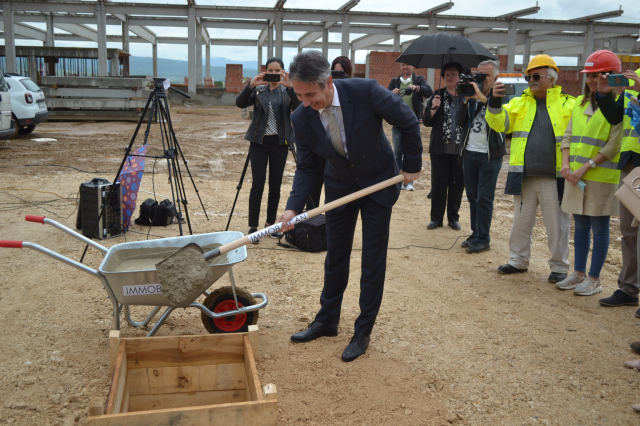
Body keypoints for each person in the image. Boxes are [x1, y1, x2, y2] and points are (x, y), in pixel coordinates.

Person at [277, 50, 422, 362]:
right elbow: (307, 168)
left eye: (310, 94)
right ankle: (327, 320)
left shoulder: (366, 91)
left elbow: (408, 121)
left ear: (328, 82)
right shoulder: (301, 117)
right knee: (336, 256)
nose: (304, 102)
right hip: (340, 187)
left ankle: (362, 330)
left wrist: (412, 164)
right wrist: (292, 208)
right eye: (298, 95)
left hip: (377, 184)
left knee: (372, 260)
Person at [486, 54, 575, 283]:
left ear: (551, 78)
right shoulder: (519, 103)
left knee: (558, 226)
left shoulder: (569, 104)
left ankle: (559, 267)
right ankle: (518, 260)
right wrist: (494, 102)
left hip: (554, 177)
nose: (531, 80)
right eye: (528, 77)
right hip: (523, 176)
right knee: (520, 223)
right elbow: (499, 124)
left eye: (536, 76)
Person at [555, 51, 623, 296]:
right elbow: (568, 136)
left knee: (599, 227)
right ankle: (579, 273)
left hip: (600, 176)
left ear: (612, 76)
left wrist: (586, 166)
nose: (593, 81)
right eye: (590, 76)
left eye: (598, 76)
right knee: (580, 225)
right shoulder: (580, 103)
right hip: (576, 176)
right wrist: (566, 163)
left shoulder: (619, 106)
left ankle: (594, 279)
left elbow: (613, 146)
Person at [236, 57, 301, 241]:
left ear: (283, 72)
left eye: (277, 71)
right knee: (257, 184)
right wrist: (250, 85)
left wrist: (290, 87)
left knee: (275, 185)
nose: (273, 74)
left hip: (279, 143)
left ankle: (270, 224)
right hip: (258, 143)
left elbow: (299, 108)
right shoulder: (258, 91)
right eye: (270, 71)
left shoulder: (287, 92)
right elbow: (240, 103)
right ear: (264, 72)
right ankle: (254, 227)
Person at [593, 66, 640, 310]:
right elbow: (616, 117)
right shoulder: (636, 75)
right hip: (631, 163)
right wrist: (605, 95)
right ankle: (629, 289)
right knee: (629, 231)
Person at [457, 60, 506, 253]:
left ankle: (483, 237)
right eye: (479, 74)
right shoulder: (470, 93)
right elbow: (461, 122)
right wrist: (465, 100)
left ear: (495, 77)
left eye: (486, 75)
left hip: (489, 155)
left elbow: (502, 119)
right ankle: (475, 233)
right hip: (470, 151)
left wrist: (483, 98)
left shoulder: (502, 95)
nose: (482, 79)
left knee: (484, 197)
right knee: (472, 195)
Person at [304, 56, 354, 211]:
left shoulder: (353, 94)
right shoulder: (313, 102)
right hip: (321, 147)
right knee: (316, 180)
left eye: (342, 72)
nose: (339, 75)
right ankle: (313, 216)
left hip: (340, 157)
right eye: (335, 71)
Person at [423, 62, 465, 230]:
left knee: (457, 184)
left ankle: (453, 218)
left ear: (459, 77)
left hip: (460, 149)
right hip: (440, 149)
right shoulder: (437, 95)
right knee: (439, 184)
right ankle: (436, 218)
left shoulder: (466, 95)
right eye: (446, 74)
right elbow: (426, 121)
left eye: (453, 74)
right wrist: (433, 108)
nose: (449, 77)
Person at [388, 63, 433, 190]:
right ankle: (397, 183)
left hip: (413, 124)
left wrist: (417, 88)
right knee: (397, 153)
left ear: (412, 67)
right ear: (400, 67)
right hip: (397, 122)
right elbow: (384, 94)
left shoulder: (418, 80)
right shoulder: (395, 81)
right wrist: (392, 92)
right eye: (403, 64)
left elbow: (429, 91)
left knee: (411, 152)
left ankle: (409, 183)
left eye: (408, 64)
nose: (405, 67)